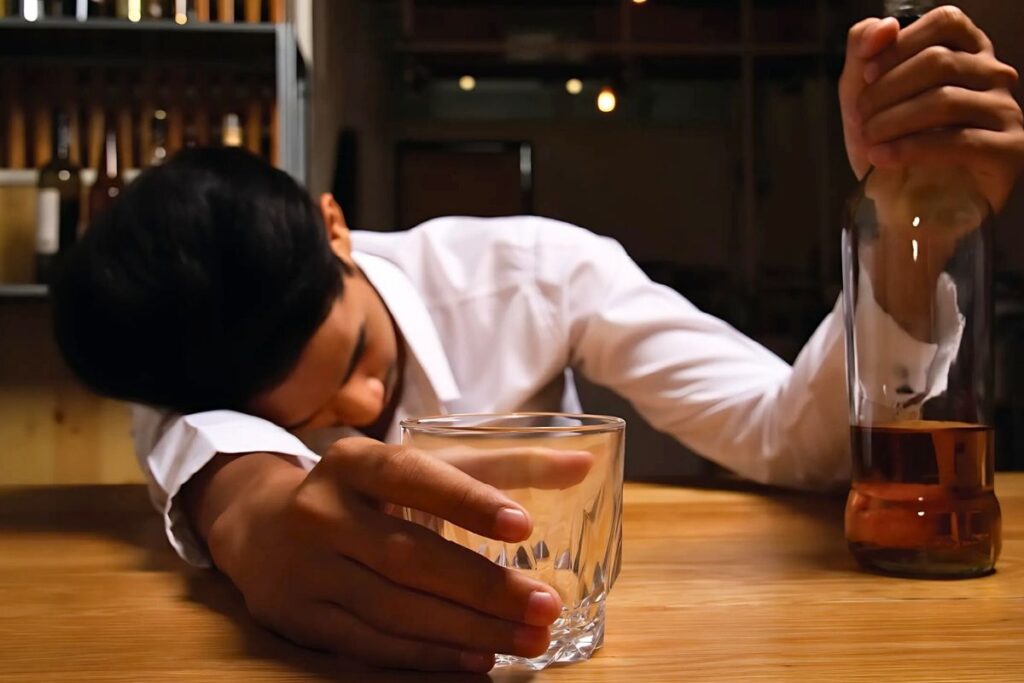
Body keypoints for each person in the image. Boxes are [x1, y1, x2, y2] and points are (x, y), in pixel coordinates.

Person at [51, 8, 1023, 674]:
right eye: (293, 419)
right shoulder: (187, 342)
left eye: (351, 360)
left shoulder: (535, 271)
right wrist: (246, 506)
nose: (353, 415)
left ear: (335, 227)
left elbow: (787, 438)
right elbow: (179, 424)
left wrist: (907, 231)